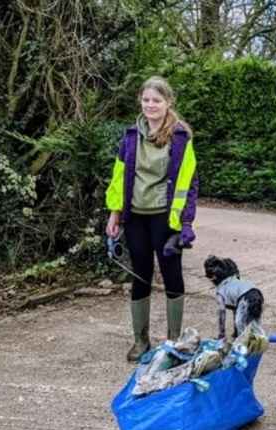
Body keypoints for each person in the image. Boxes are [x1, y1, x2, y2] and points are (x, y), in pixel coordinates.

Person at [105, 76, 198, 362]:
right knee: (140, 275)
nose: (150, 105)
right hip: (135, 216)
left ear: (168, 102)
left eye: (156, 100)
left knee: (172, 274)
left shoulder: (180, 137)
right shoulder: (131, 135)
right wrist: (115, 212)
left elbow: (188, 183)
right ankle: (140, 341)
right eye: (146, 100)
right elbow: (120, 176)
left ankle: (173, 342)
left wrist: (185, 223)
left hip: (164, 217)